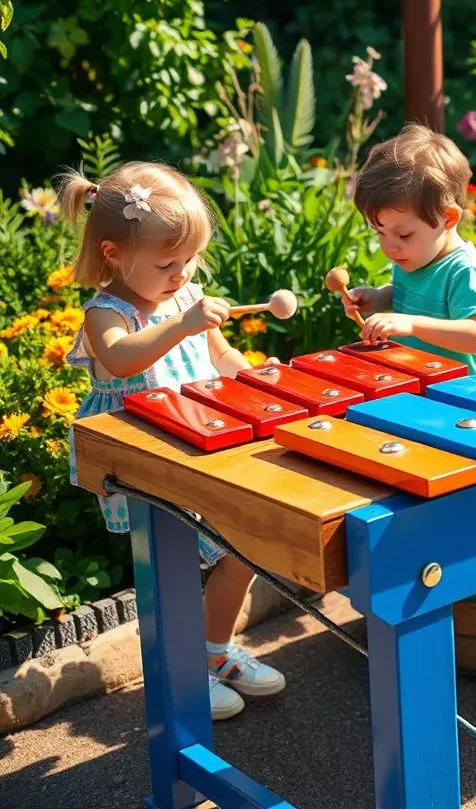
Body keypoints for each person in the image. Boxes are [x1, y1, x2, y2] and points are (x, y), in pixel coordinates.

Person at [58, 162, 285, 721]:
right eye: (167, 263)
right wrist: (181, 326)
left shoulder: (186, 299)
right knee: (173, 565)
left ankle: (213, 653)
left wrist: (252, 373)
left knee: (242, 548)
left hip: (196, 439)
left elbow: (220, 356)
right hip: (143, 455)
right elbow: (119, 359)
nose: (182, 275)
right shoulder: (106, 312)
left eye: (188, 261)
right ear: (113, 253)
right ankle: (182, 672)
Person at [342, 123, 476, 378]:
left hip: (468, 397)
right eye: (380, 232)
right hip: (421, 383)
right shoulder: (413, 255)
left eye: (404, 234)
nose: (390, 246)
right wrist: (380, 298)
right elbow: (415, 294)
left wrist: (412, 325)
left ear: (448, 218)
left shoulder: (464, 271)